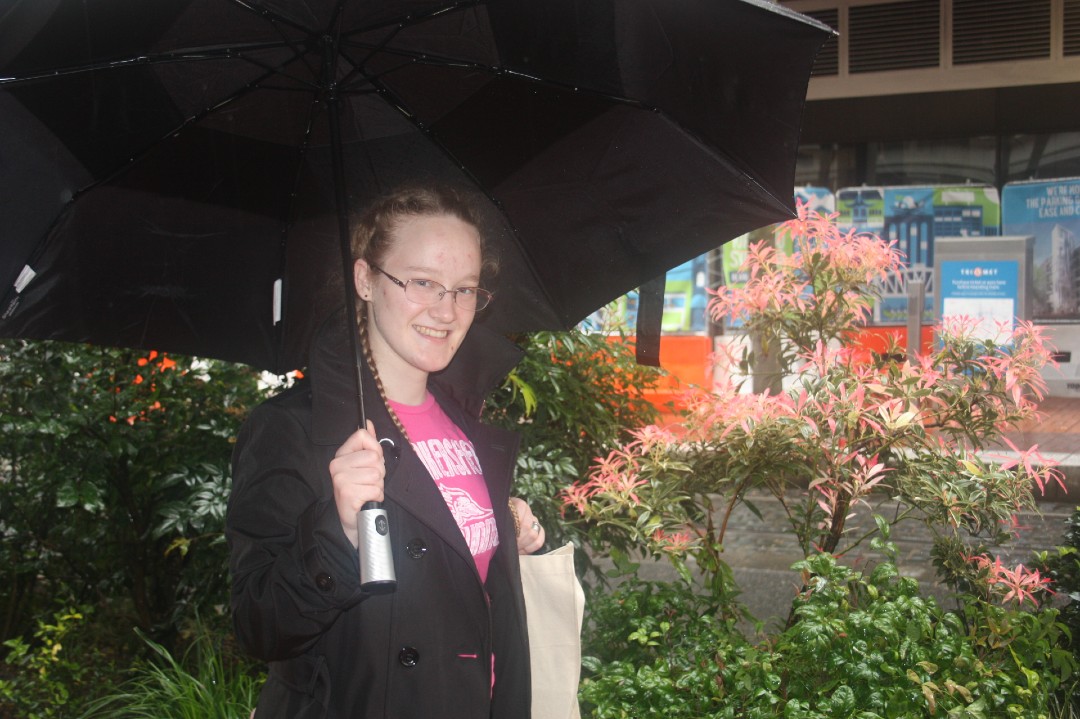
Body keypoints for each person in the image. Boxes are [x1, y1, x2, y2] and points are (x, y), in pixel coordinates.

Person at [227, 183, 545, 718]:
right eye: (422, 282)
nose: (447, 311)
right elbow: (257, 626)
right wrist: (339, 532)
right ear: (365, 279)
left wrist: (511, 531)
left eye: (465, 289)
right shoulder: (294, 429)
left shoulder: (467, 425)